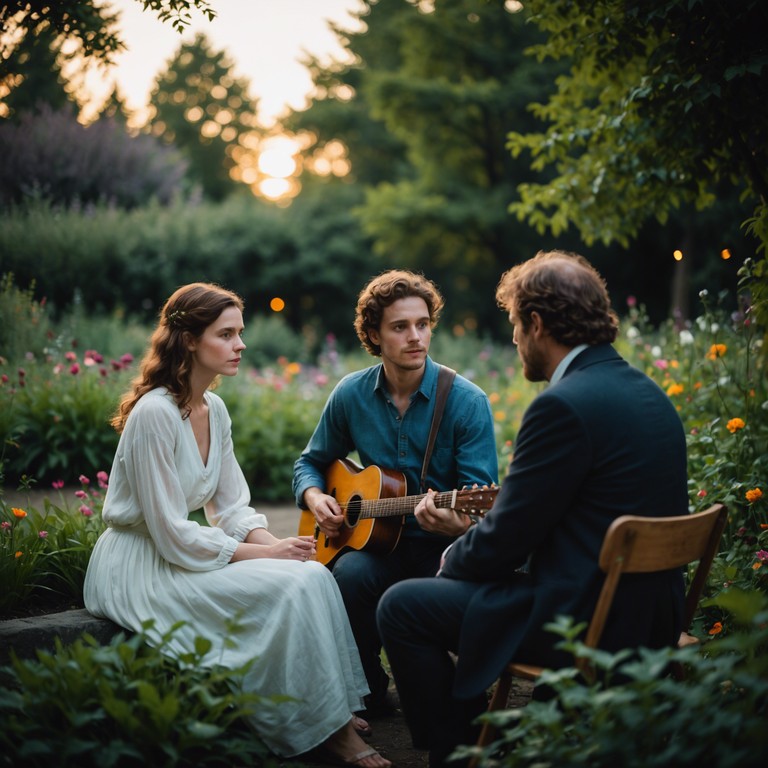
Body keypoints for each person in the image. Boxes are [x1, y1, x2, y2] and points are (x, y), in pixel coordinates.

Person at [377, 250, 689, 767]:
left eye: (517, 326)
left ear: (538, 324)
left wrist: (452, 557)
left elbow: (503, 540)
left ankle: (460, 752)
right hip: (653, 612)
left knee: (403, 606)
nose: (516, 340)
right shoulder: (649, 393)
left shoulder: (562, 406)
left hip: (590, 621)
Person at [84, 283, 390, 768]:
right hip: (140, 565)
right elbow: (169, 533)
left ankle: (323, 708)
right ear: (189, 341)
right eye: (226, 334)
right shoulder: (154, 416)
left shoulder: (215, 410)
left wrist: (281, 546)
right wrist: (268, 556)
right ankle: (327, 731)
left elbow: (231, 511)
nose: (240, 344)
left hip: (183, 552)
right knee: (287, 587)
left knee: (311, 575)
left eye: (240, 333)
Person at [293, 269, 499, 717]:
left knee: (452, 579)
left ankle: (453, 696)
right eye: (400, 326)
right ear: (373, 334)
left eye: (423, 324)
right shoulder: (351, 394)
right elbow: (309, 462)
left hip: (440, 549)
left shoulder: (467, 402)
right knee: (346, 574)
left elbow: (482, 510)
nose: (416, 337)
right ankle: (365, 685)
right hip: (377, 545)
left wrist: (458, 522)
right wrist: (315, 498)